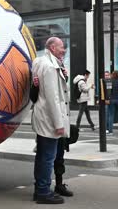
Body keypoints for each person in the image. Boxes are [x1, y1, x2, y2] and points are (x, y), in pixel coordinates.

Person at [31, 37, 70, 204]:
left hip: (43, 115)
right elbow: (53, 97)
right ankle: (43, 192)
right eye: (62, 47)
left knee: (43, 156)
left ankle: (40, 189)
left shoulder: (41, 62)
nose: (64, 50)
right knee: (48, 156)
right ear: (53, 47)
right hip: (49, 117)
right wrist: (59, 124)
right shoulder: (49, 66)